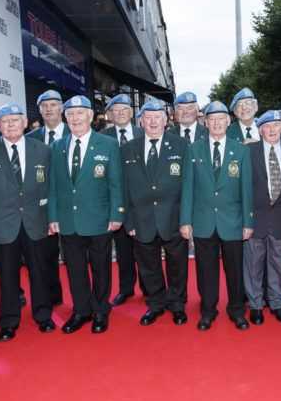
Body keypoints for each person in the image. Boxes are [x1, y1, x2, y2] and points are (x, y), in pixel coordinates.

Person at [0, 104, 55, 341]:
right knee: (7, 276)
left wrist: (52, 218)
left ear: (25, 122)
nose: (10, 125)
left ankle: (43, 315)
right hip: (1, 224)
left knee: (39, 272)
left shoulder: (42, 149)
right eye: (5, 121)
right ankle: (8, 321)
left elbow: (51, 187)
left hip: (36, 222)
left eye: (15, 120)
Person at [48, 95, 124, 334]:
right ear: (65, 118)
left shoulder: (108, 144)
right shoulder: (57, 146)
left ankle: (101, 309)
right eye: (70, 114)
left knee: (101, 267)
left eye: (80, 113)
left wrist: (117, 214)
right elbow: (53, 186)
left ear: (91, 117)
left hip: (99, 218)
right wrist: (53, 217)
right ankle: (81, 310)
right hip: (69, 221)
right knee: (75, 268)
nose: (75, 118)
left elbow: (116, 184)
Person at [180, 101, 254, 331]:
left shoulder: (241, 150)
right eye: (212, 119)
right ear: (205, 122)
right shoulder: (193, 150)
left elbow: (246, 188)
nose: (217, 123)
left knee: (235, 270)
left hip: (232, 220)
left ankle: (237, 311)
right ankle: (208, 311)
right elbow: (188, 188)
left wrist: (248, 222)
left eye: (221, 118)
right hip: (203, 221)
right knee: (205, 270)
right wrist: (185, 221)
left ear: (228, 121)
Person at [121, 99, 190, 326]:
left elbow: (189, 185)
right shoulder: (128, 148)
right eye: (148, 117)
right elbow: (124, 188)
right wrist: (128, 221)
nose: (153, 121)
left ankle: (178, 305)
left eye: (157, 117)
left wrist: (186, 219)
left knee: (177, 265)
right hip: (142, 220)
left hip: (173, 218)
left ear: (165, 120)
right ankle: (156, 303)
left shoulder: (181, 145)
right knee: (148, 266)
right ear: (140, 121)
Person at [244, 110, 281, 325]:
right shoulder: (249, 151)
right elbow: (242, 189)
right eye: (267, 126)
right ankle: (256, 305)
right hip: (255, 218)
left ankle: (278, 303)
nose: (272, 130)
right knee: (253, 264)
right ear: (260, 130)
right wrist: (245, 220)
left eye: (276, 126)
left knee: (279, 263)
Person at [99, 93, 142, 306]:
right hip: (116, 200)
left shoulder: (144, 133)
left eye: (125, 109)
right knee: (123, 248)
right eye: (116, 110)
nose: (121, 113)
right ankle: (126, 288)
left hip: (142, 201)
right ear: (109, 114)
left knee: (145, 248)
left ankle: (148, 287)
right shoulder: (102, 137)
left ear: (131, 112)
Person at [26, 89, 68, 306]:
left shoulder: (76, 131)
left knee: (75, 254)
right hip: (42, 205)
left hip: (72, 202)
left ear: (62, 108)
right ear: (39, 110)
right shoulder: (30, 138)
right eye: (45, 105)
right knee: (47, 254)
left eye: (54, 104)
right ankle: (53, 297)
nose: (49, 109)